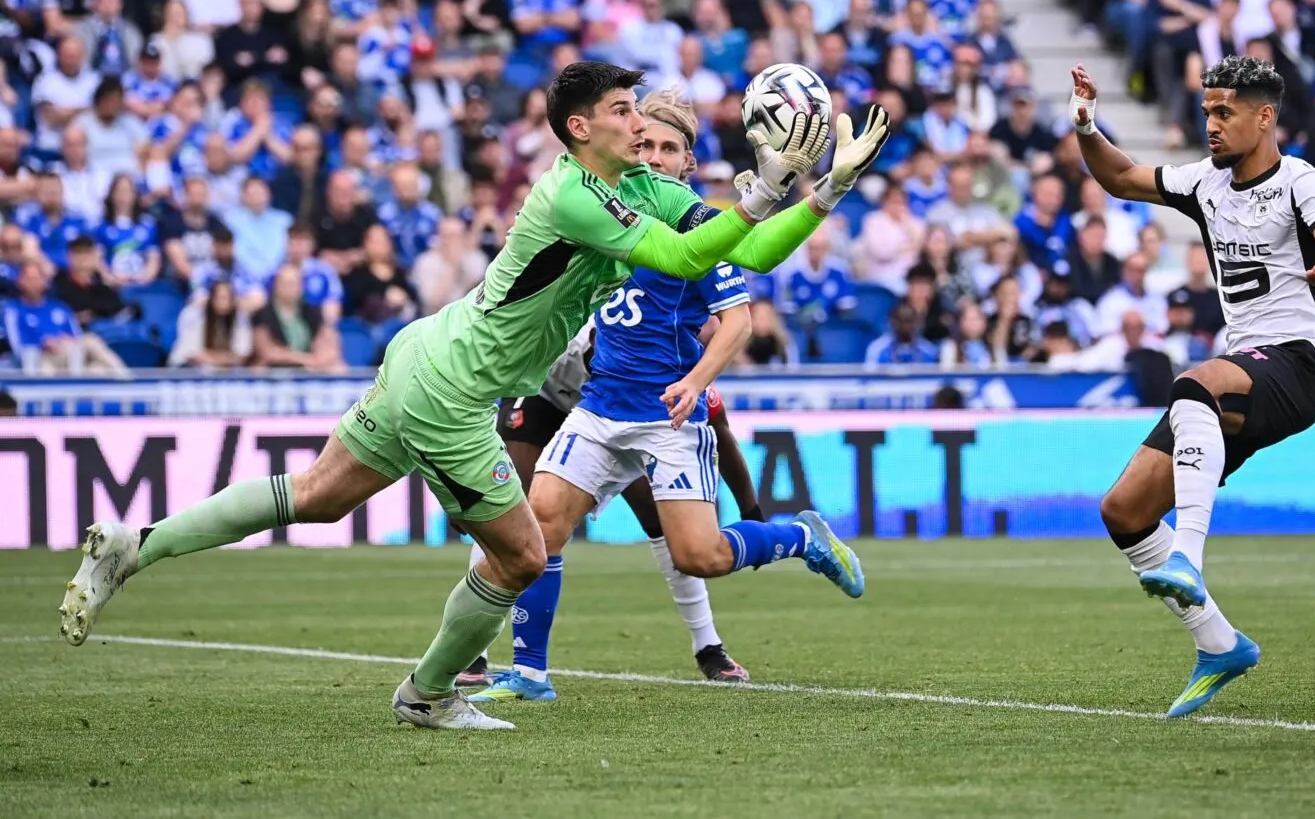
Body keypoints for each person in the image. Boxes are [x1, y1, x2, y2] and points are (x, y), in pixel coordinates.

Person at [58, 61, 888, 732]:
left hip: (424, 352)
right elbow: (682, 258)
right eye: (624, 110)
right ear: (580, 128)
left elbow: (745, 253)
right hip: (454, 393)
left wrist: (822, 193)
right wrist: (761, 190)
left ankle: (137, 544)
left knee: (314, 495)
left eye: (640, 109)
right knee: (523, 555)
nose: (640, 122)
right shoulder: (570, 192)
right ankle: (427, 694)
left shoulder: (648, 188)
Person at [1070, 56, 1315, 719]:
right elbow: (1119, 176)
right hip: (1242, 374)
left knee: (1194, 381)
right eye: (1206, 111)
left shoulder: (1305, 181)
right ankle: (1219, 643)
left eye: (1224, 111)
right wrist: (1086, 125)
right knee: (1123, 511)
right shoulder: (1205, 182)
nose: (1210, 123)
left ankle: (1187, 558)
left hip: (1296, 366)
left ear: (1265, 116)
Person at [463, 88, 766, 697]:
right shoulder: (594, 199)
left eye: (668, 149)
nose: (652, 157)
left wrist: (752, 511)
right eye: (644, 143)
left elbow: (722, 402)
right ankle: (484, 650)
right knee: (517, 512)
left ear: (687, 162)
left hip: (628, 398)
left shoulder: (695, 233)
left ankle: (707, 643)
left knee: (673, 533)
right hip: (549, 382)